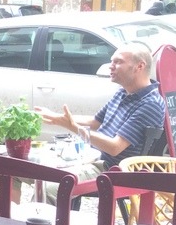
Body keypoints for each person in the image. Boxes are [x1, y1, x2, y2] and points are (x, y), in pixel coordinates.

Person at [35, 41, 165, 198]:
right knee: (21, 168)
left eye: (118, 62)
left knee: (48, 188)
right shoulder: (123, 92)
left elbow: (115, 147)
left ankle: (38, 214)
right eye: (112, 61)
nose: (111, 66)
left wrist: (73, 126)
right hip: (90, 158)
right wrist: (57, 118)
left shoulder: (151, 103)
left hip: (111, 171)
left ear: (139, 66)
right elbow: (95, 122)